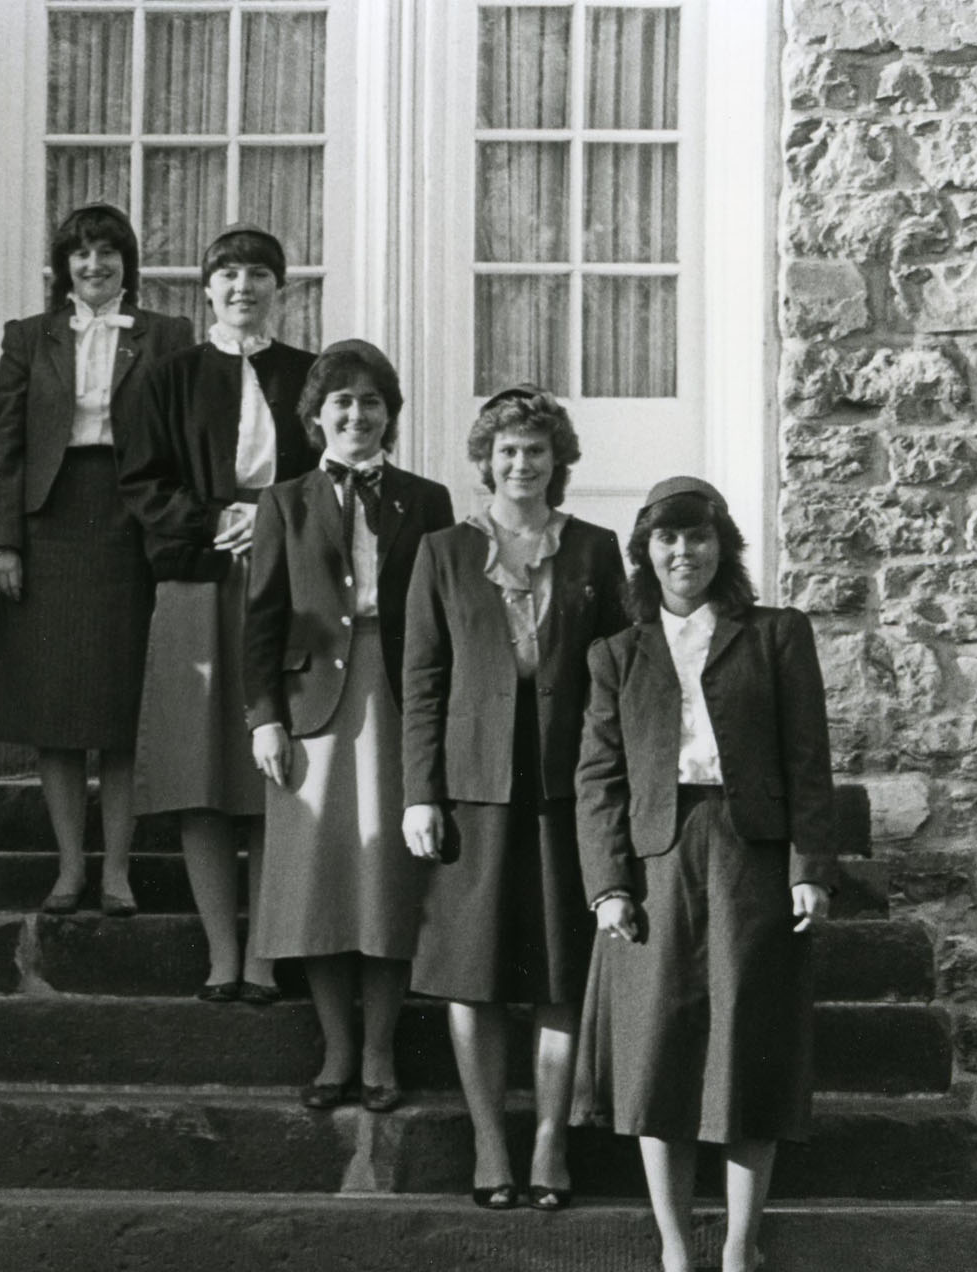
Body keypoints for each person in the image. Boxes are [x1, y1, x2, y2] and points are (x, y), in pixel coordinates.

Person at [573, 475, 838, 1272]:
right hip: (657, 863)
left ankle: (738, 1254)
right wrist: (609, 884)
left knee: (748, 1052)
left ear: (722, 547)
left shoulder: (776, 634)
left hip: (750, 857)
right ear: (645, 553)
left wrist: (808, 866)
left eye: (699, 536)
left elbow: (808, 759)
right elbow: (598, 780)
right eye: (667, 538)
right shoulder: (617, 654)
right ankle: (675, 1256)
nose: (683, 552)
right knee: (659, 1056)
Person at [400, 386, 627, 1202]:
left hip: (567, 784)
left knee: (561, 971)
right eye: (507, 451)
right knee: (475, 971)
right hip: (473, 786)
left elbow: (618, 673)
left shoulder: (595, 548)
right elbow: (422, 680)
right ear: (485, 461)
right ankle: (490, 1145)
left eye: (536, 450)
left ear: (557, 460)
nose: (521, 464)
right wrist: (420, 792)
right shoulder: (444, 551)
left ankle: (549, 1145)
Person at [245, 340, 453, 1111]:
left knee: (386, 875)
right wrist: (265, 719)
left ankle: (379, 1050)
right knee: (320, 880)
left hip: (397, 695)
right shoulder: (284, 502)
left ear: (389, 414)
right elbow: (262, 619)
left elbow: (443, 613)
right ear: (317, 415)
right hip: (311, 708)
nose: (357, 415)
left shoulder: (425, 499)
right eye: (342, 401)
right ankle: (335, 1048)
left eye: (371, 402)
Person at [120, 223, 315, 1002]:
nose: (243, 287)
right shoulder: (169, 377)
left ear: (280, 289)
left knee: (269, 771)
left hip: (284, 584)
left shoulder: (307, 376)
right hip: (197, 580)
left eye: (259, 274)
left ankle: (265, 951)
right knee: (199, 772)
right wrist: (212, 520)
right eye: (229, 274)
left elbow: (328, 475)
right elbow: (143, 480)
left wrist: (272, 521)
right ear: (206, 289)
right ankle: (221, 951)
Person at [0, 202, 192, 916]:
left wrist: (175, 537)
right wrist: (2, 541)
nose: (94, 265)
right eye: (81, 254)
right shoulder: (28, 336)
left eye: (107, 253)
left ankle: (118, 871)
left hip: (133, 524)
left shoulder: (167, 335)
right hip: (51, 523)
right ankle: (71, 866)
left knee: (123, 708)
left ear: (128, 263)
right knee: (57, 709)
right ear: (63, 265)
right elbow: (5, 444)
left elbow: (183, 441)